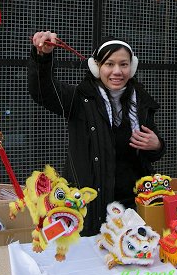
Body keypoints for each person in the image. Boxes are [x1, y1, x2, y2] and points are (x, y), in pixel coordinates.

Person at [29, 31, 166, 236]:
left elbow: (150, 152)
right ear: (96, 67)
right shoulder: (79, 99)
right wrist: (43, 58)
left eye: (124, 64)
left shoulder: (141, 103)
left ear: (132, 66)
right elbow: (43, 92)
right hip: (91, 206)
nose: (117, 71)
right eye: (109, 64)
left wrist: (157, 145)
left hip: (133, 206)